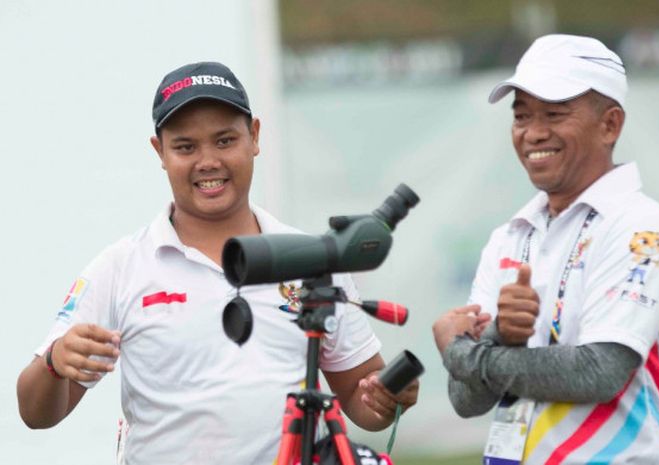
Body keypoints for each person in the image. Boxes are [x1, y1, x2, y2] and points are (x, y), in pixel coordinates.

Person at [17, 61, 418, 465]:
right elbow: (35, 413)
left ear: (254, 136)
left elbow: (362, 400)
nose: (208, 161)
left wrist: (389, 395)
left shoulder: (311, 258)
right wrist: (55, 362)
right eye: (185, 147)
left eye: (225, 141)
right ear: (160, 151)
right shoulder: (122, 266)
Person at [432, 34, 659, 464]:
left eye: (554, 114)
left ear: (610, 124)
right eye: (521, 116)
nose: (534, 133)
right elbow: (466, 400)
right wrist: (499, 336)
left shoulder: (644, 228)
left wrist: (461, 351)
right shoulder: (511, 236)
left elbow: (598, 372)